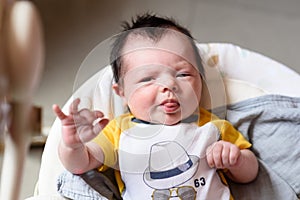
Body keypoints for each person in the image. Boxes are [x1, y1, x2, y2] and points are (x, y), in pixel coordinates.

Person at [53, 13, 258, 200]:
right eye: (148, 78)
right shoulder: (118, 132)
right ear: (122, 93)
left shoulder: (212, 127)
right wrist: (73, 145)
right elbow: (80, 165)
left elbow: (250, 174)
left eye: (183, 74)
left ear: (201, 82)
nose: (169, 85)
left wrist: (236, 159)